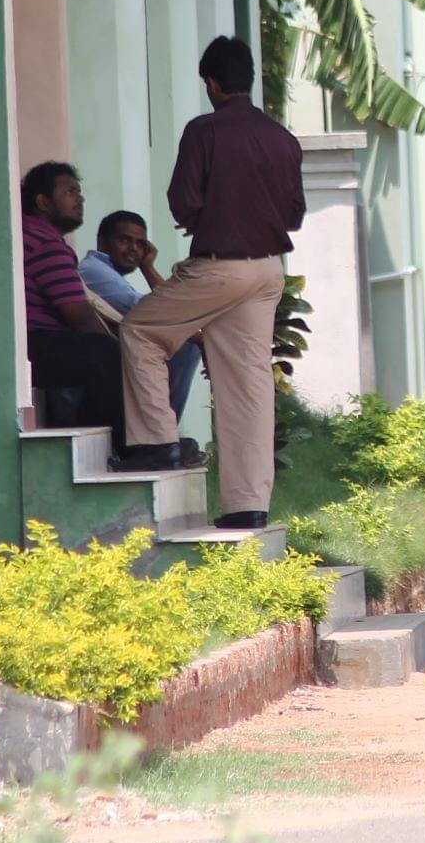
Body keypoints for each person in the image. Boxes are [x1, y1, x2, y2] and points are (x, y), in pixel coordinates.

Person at [113, 37, 304, 531]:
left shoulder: (205, 130)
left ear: (212, 84)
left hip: (220, 266)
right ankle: (247, 505)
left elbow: (183, 202)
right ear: (249, 79)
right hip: (267, 271)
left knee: (140, 330)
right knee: (248, 383)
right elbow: (294, 214)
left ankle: (156, 443)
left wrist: (206, 213)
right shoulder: (283, 138)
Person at [19, 161, 125, 449]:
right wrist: (121, 349)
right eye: (70, 191)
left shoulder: (24, 234)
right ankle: (118, 446)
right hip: (35, 344)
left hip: (27, 344)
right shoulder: (46, 244)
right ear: (43, 201)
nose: (80, 198)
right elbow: (78, 315)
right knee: (105, 353)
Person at [80, 210, 204, 422]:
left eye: (140, 243)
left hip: (117, 362)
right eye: (125, 240)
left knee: (185, 339)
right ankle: (163, 430)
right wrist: (201, 340)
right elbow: (160, 310)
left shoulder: (105, 271)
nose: (133, 249)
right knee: (185, 344)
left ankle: (163, 428)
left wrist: (147, 266)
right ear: (102, 242)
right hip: (102, 363)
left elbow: (167, 308)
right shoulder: (94, 270)